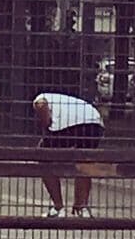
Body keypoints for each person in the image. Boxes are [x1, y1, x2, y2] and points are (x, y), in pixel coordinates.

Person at [30, 85, 106, 213]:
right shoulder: (65, 100)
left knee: (43, 158)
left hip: (68, 126)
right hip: (95, 123)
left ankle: (58, 207)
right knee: (84, 163)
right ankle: (81, 207)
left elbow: (41, 104)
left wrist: (46, 124)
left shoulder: (40, 97)